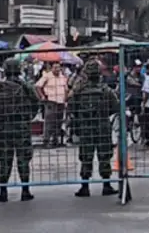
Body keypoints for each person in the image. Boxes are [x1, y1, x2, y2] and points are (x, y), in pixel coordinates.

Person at [0, 58, 40, 203]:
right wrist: (29, 117)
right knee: (23, 160)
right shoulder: (25, 86)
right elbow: (36, 102)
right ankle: (25, 191)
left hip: (5, 128)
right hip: (21, 127)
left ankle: (3, 192)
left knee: (5, 160)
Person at [68, 60, 120, 197]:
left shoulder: (79, 91)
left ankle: (84, 186)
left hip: (86, 127)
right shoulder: (106, 90)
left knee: (86, 157)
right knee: (104, 156)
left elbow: (71, 108)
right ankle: (106, 185)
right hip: (102, 126)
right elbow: (115, 107)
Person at [36, 62, 68, 148]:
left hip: (61, 102)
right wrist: (42, 96)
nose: (57, 69)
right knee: (49, 122)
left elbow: (65, 89)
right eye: (55, 68)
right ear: (51, 68)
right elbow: (38, 86)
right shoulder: (47, 76)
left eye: (58, 67)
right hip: (51, 101)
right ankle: (46, 141)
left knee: (59, 122)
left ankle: (55, 140)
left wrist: (65, 99)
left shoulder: (62, 76)